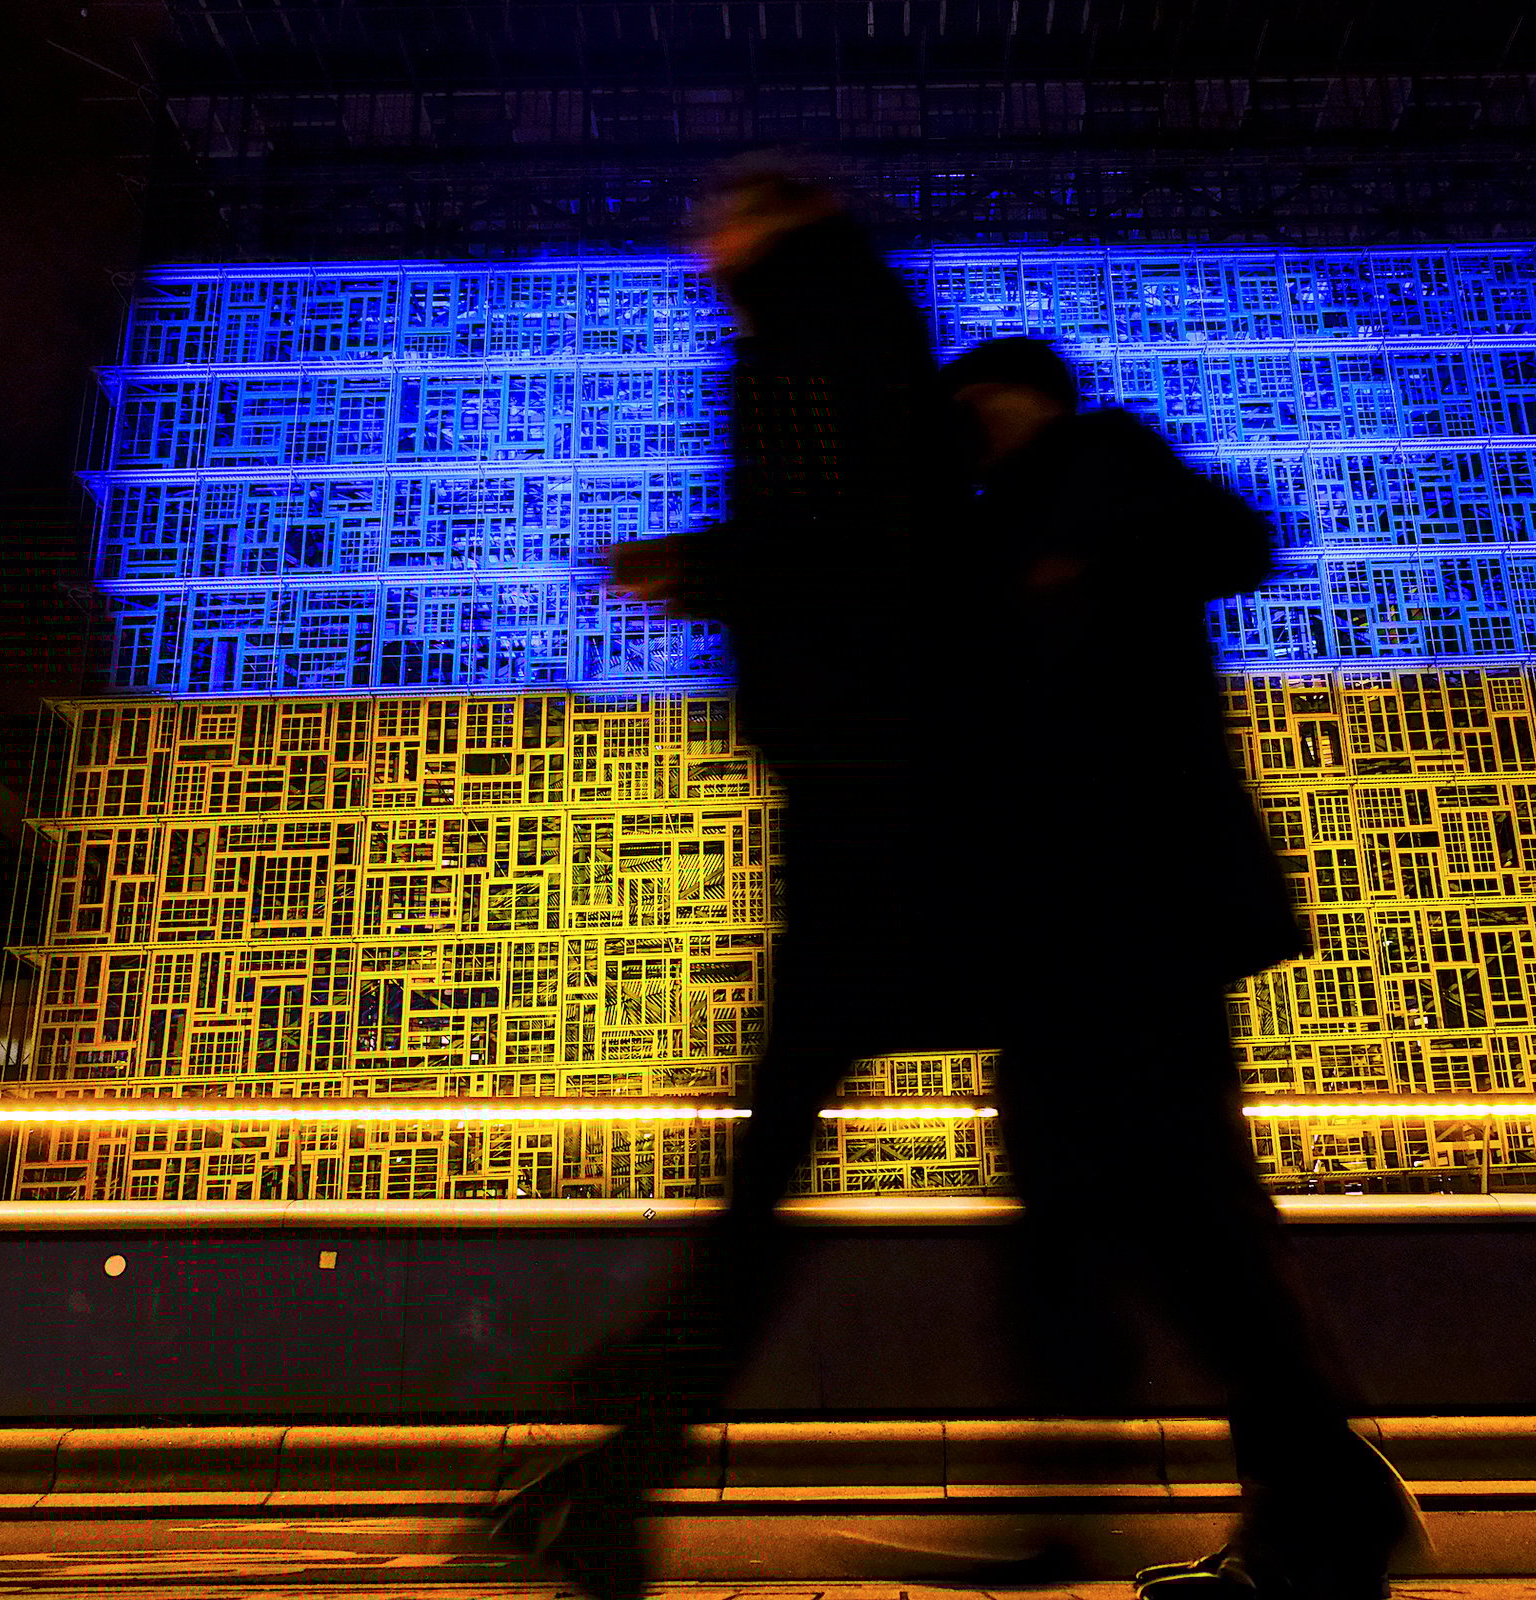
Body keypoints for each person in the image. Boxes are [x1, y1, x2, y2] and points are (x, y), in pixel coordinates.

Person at [492, 168, 997, 1600]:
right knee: (792, 1151)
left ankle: (624, 1454)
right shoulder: (857, 332)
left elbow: (845, 545)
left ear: (761, 231)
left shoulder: (809, 340)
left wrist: (692, 565)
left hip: (872, 792)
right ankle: (617, 1465)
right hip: (889, 781)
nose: (694, 247)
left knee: (781, 1153)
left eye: (716, 223)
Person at [938, 336, 1426, 1600]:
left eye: (976, 406)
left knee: (1145, 1209)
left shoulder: (1096, 459)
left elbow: (1236, 542)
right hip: (1087, 917)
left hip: (1129, 907)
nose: (967, 429)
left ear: (1021, 397)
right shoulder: (1003, 510)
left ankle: (1287, 1500)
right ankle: (1313, 1497)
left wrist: (1082, 566)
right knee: (1159, 1211)